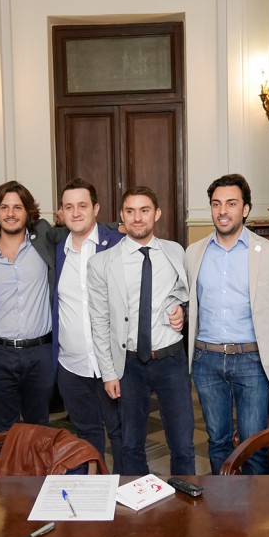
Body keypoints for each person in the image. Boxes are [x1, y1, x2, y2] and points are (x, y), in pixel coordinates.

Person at [88, 186, 194, 476]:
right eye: (130, 211)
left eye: (144, 210)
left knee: (183, 443)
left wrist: (180, 310)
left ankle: (184, 509)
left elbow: (184, 293)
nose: (137, 218)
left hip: (171, 360)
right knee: (131, 444)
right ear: (122, 215)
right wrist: (108, 372)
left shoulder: (175, 252)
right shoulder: (101, 263)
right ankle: (139, 511)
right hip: (129, 364)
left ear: (156, 214)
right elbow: (98, 322)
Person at [186, 174, 269, 474]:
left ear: (246, 209)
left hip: (252, 360)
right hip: (206, 360)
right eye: (216, 204)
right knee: (218, 442)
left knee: (254, 445)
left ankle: (257, 515)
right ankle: (222, 511)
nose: (222, 210)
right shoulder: (193, 253)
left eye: (231, 203)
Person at [0, 181, 56, 434]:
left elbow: (83, 229)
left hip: (40, 352)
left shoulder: (44, 244)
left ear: (28, 212)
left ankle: (36, 476)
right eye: (4, 207)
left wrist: (119, 226)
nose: (10, 213)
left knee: (38, 428)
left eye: (18, 207)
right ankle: (5, 475)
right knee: (0, 429)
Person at [53, 178, 124, 472]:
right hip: (73, 365)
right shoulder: (56, 249)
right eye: (69, 207)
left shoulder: (118, 244)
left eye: (82, 205)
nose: (76, 212)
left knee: (122, 434)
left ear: (96, 208)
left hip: (114, 364)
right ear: (61, 213)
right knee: (86, 436)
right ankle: (93, 500)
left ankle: (125, 499)